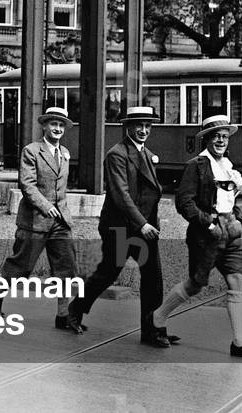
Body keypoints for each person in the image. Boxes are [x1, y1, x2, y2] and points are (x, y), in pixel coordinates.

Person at [150, 116, 242, 359]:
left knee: (236, 279)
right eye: (215, 136)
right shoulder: (197, 165)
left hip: (231, 233)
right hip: (206, 236)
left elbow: (232, 202)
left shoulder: (228, 166)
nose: (221, 140)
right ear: (207, 139)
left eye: (224, 136)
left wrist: (240, 222)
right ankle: (158, 318)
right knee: (196, 284)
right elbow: (184, 202)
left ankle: (239, 342)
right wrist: (210, 224)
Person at [68, 106, 175, 344]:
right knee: (107, 273)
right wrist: (143, 224)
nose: (144, 130)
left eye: (148, 126)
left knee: (152, 277)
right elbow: (121, 195)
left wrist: (149, 224)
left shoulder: (146, 153)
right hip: (120, 227)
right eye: (139, 126)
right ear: (127, 127)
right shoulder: (117, 154)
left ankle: (153, 329)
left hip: (141, 228)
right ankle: (74, 310)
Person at [0, 107, 77, 325]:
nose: (57, 128)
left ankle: (63, 315)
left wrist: (64, 212)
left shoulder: (65, 153)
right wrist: (45, 205)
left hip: (60, 221)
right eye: (53, 124)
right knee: (20, 266)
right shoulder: (32, 151)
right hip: (35, 220)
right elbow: (27, 185)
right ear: (44, 126)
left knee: (66, 268)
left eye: (61, 125)